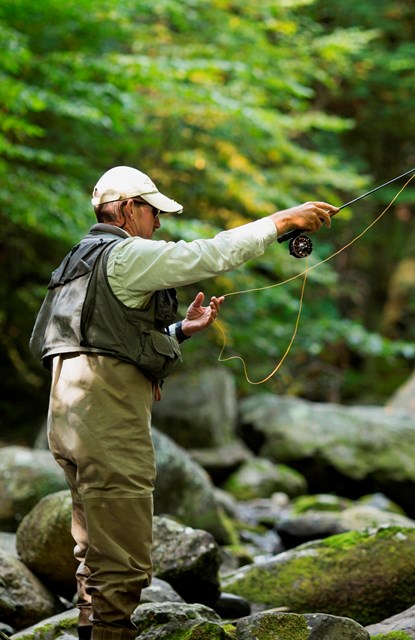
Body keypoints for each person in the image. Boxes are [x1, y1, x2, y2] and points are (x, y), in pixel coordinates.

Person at [29, 165, 338, 640]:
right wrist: (281, 221)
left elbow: (86, 339)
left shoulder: (77, 262)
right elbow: (209, 255)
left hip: (68, 416)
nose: (159, 225)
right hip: (106, 418)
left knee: (95, 544)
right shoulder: (125, 253)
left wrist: (178, 331)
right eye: (154, 213)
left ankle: (92, 629)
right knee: (125, 552)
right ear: (129, 209)